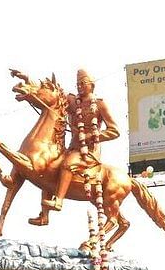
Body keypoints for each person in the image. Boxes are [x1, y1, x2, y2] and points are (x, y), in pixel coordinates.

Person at [44, 68, 120, 213]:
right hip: (72, 147)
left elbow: (114, 131)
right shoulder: (73, 101)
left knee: (68, 164)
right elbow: (54, 96)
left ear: (91, 84)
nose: (79, 86)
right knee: (49, 167)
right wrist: (28, 81)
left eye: (83, 83)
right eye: (77, 83)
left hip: (88, 152)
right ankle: (44, 215)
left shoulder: (99, 104)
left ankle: (58, 201)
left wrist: (91, 136)